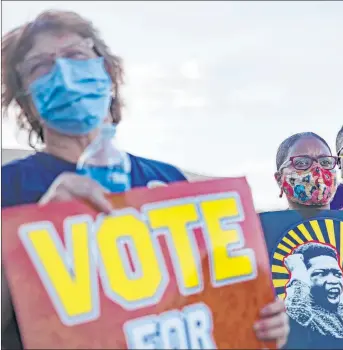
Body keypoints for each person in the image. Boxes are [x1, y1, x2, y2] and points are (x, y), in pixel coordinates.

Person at [1, 10, 288, 349]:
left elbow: (210, 312)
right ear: (26, 102)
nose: (63, 72)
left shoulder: (170, 183)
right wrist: (34, 239)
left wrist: (260, 321)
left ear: (107, 75)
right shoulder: (8, 188)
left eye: (75, 55)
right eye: (40, 66)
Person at [284, 242, 343, 339]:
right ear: (304, 277)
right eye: (321, 273)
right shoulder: (306, 318)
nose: (334, 280)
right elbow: (295, 318)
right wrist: (298, 271)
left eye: (337, 274)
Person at [274, 132, 338, 210]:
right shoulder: (267, 222)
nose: (317, 168)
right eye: (302, 163)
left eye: (325, 162)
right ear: (279, 179)